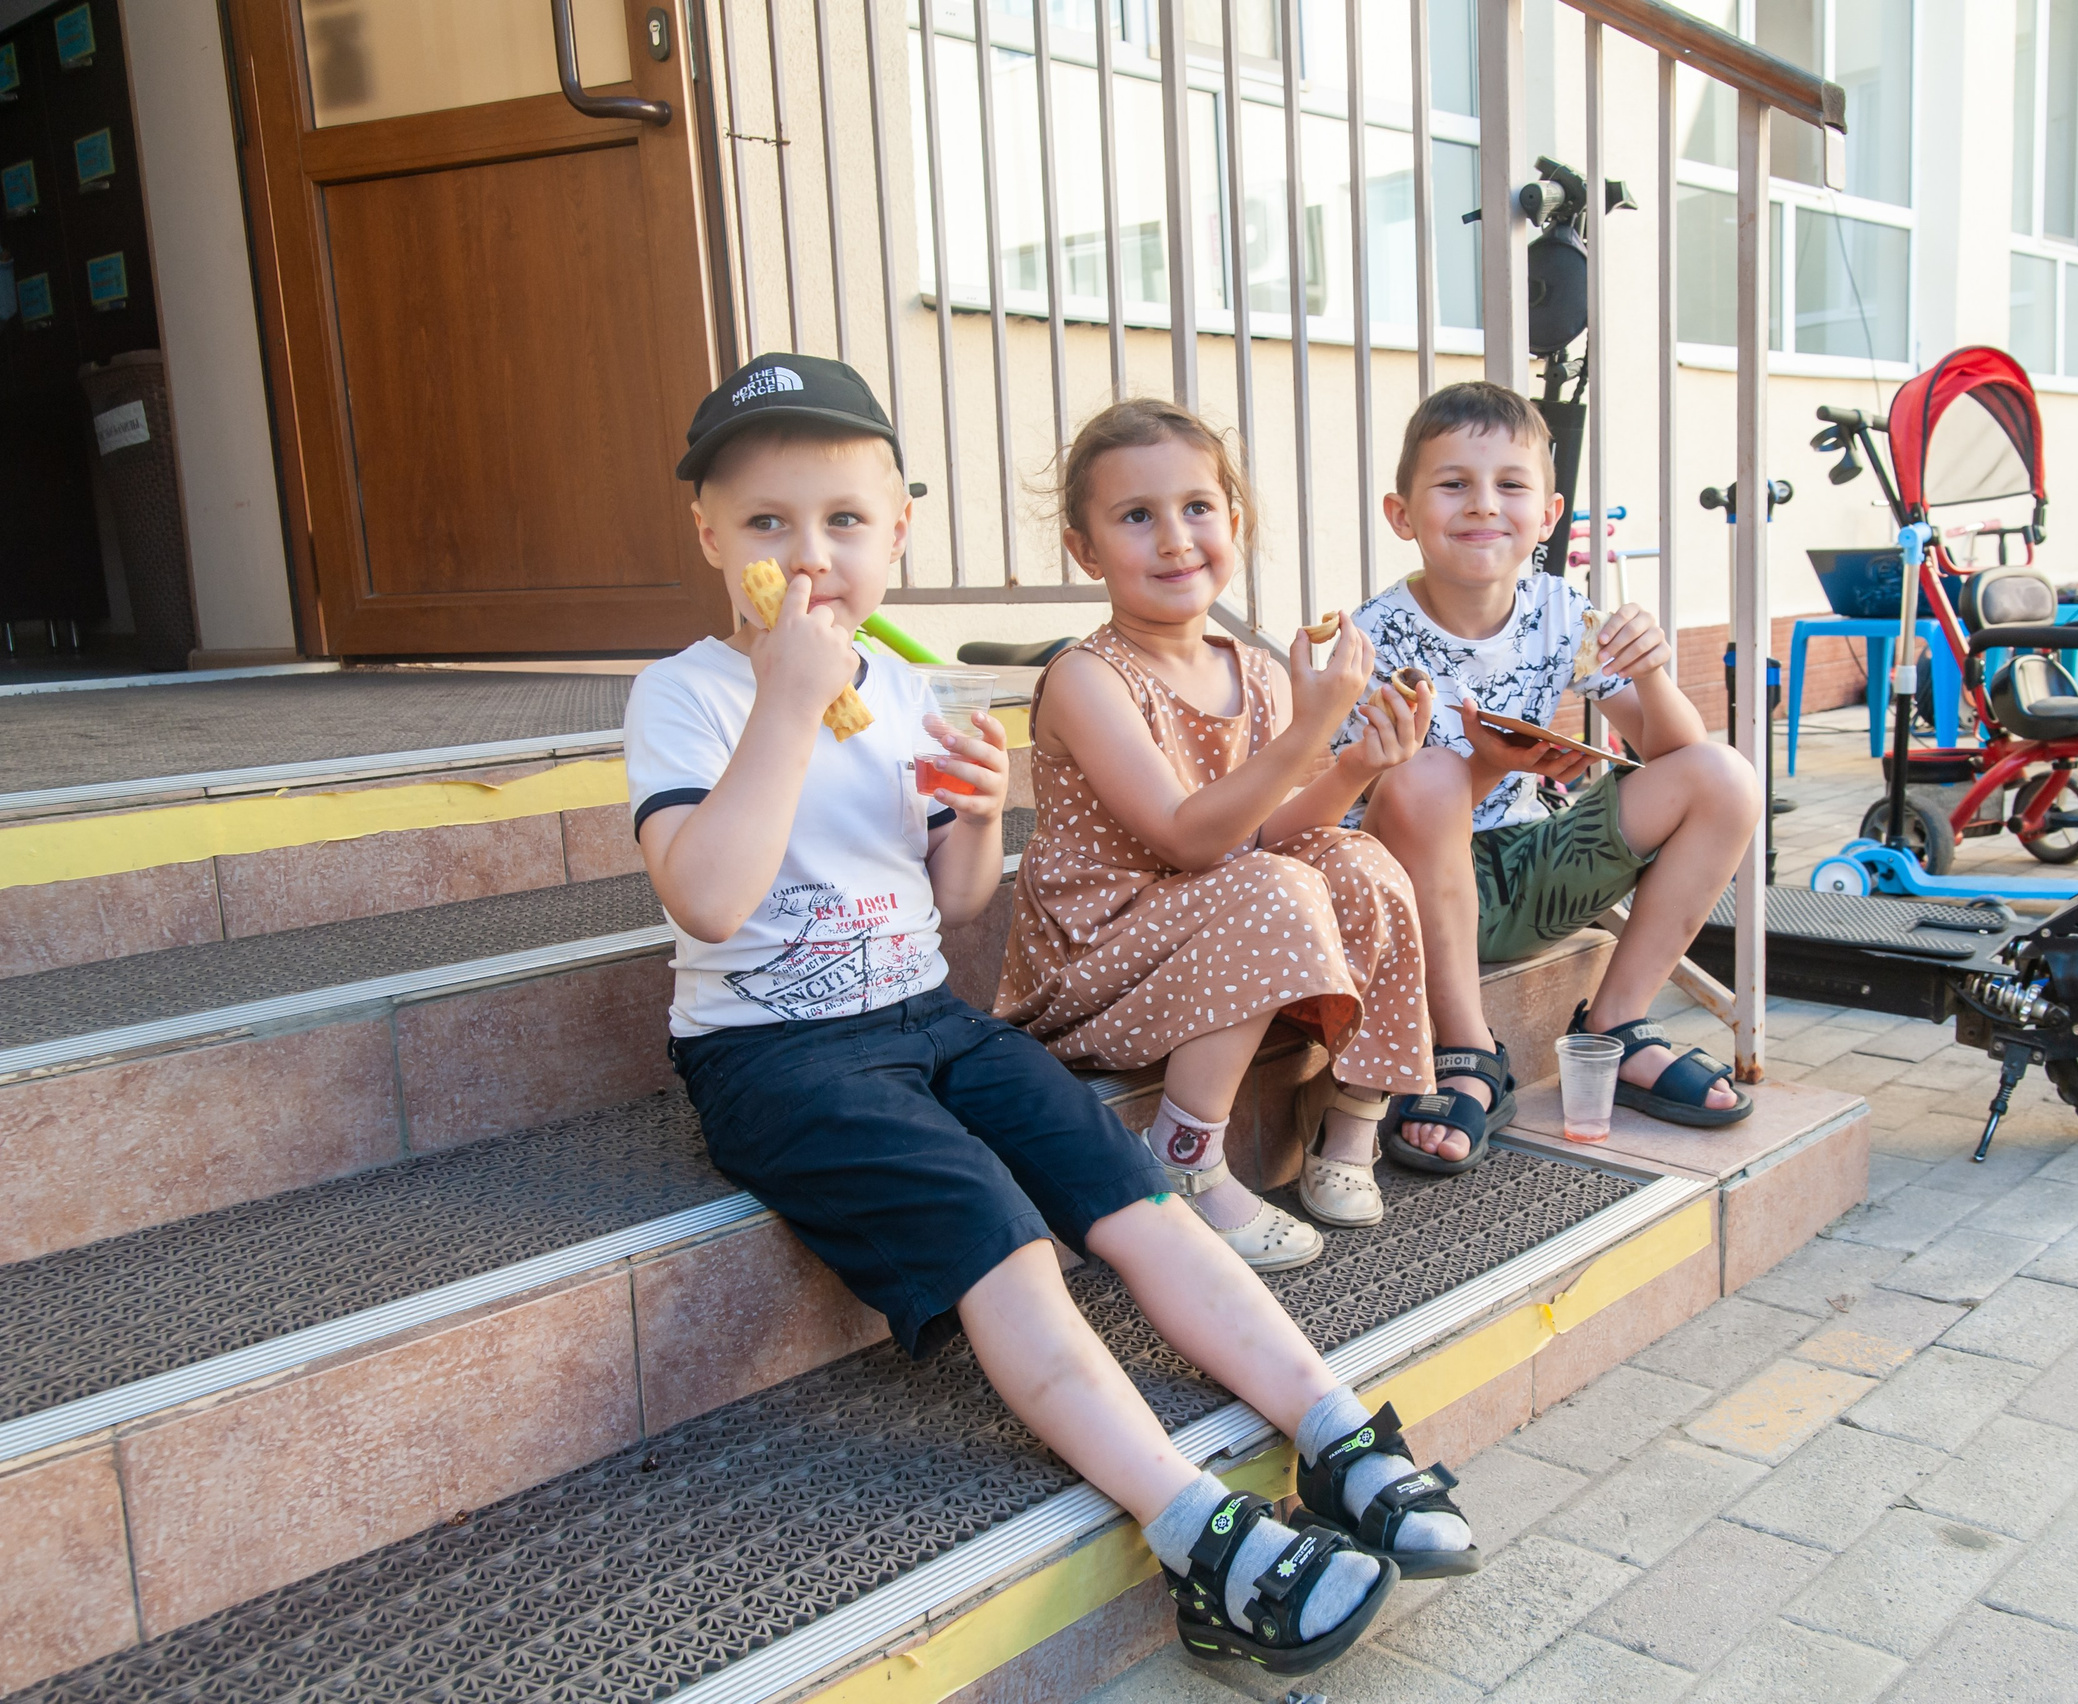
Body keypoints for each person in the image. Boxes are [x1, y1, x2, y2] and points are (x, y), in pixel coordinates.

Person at [624, 356, 1475, 1675]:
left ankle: (1336, 1430)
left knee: (1131, 1193)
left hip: (927, 1013)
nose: (809, 560)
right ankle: (1195, 1528)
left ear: (897, 529)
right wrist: (789, 699)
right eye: (767, 527)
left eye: (844, 523)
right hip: (774, 1054)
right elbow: (714, 900)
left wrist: (974, 814)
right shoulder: (688, 693)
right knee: (997, 1233)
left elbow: (955, 899)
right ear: (708, 536)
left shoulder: (909, 690)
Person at [998, 397, 1436, 1257]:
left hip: (1210, 926)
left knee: (1359, 858)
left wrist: (1353, 765)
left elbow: (1271, 832)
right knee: (1275, 887)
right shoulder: (1089, 679)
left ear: (1233, 522)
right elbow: (1189, 840)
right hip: (1098, 958)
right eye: (1136, 517)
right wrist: (1318, 727)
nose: (1174, 539)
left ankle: (1351, 1120)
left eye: (1197, 508)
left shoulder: (1259, 671)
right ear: (1086, 551)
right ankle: (1187, 1164)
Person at [1338, 381, 1761, 1171]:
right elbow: (1362, 803)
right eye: (1453, 483)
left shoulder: (1563, 610)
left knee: (1726, 777)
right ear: (1403, 514)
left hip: (1534, 868)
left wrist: (1654, 671)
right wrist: (1483, 767)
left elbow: (1676, 754)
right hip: (1417, 885)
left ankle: (1614, 1027)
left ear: (1548, 513)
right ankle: (1464, 1047)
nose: (1482, 505)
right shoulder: (1372, 640)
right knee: (1426, 775)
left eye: (1509, 485)